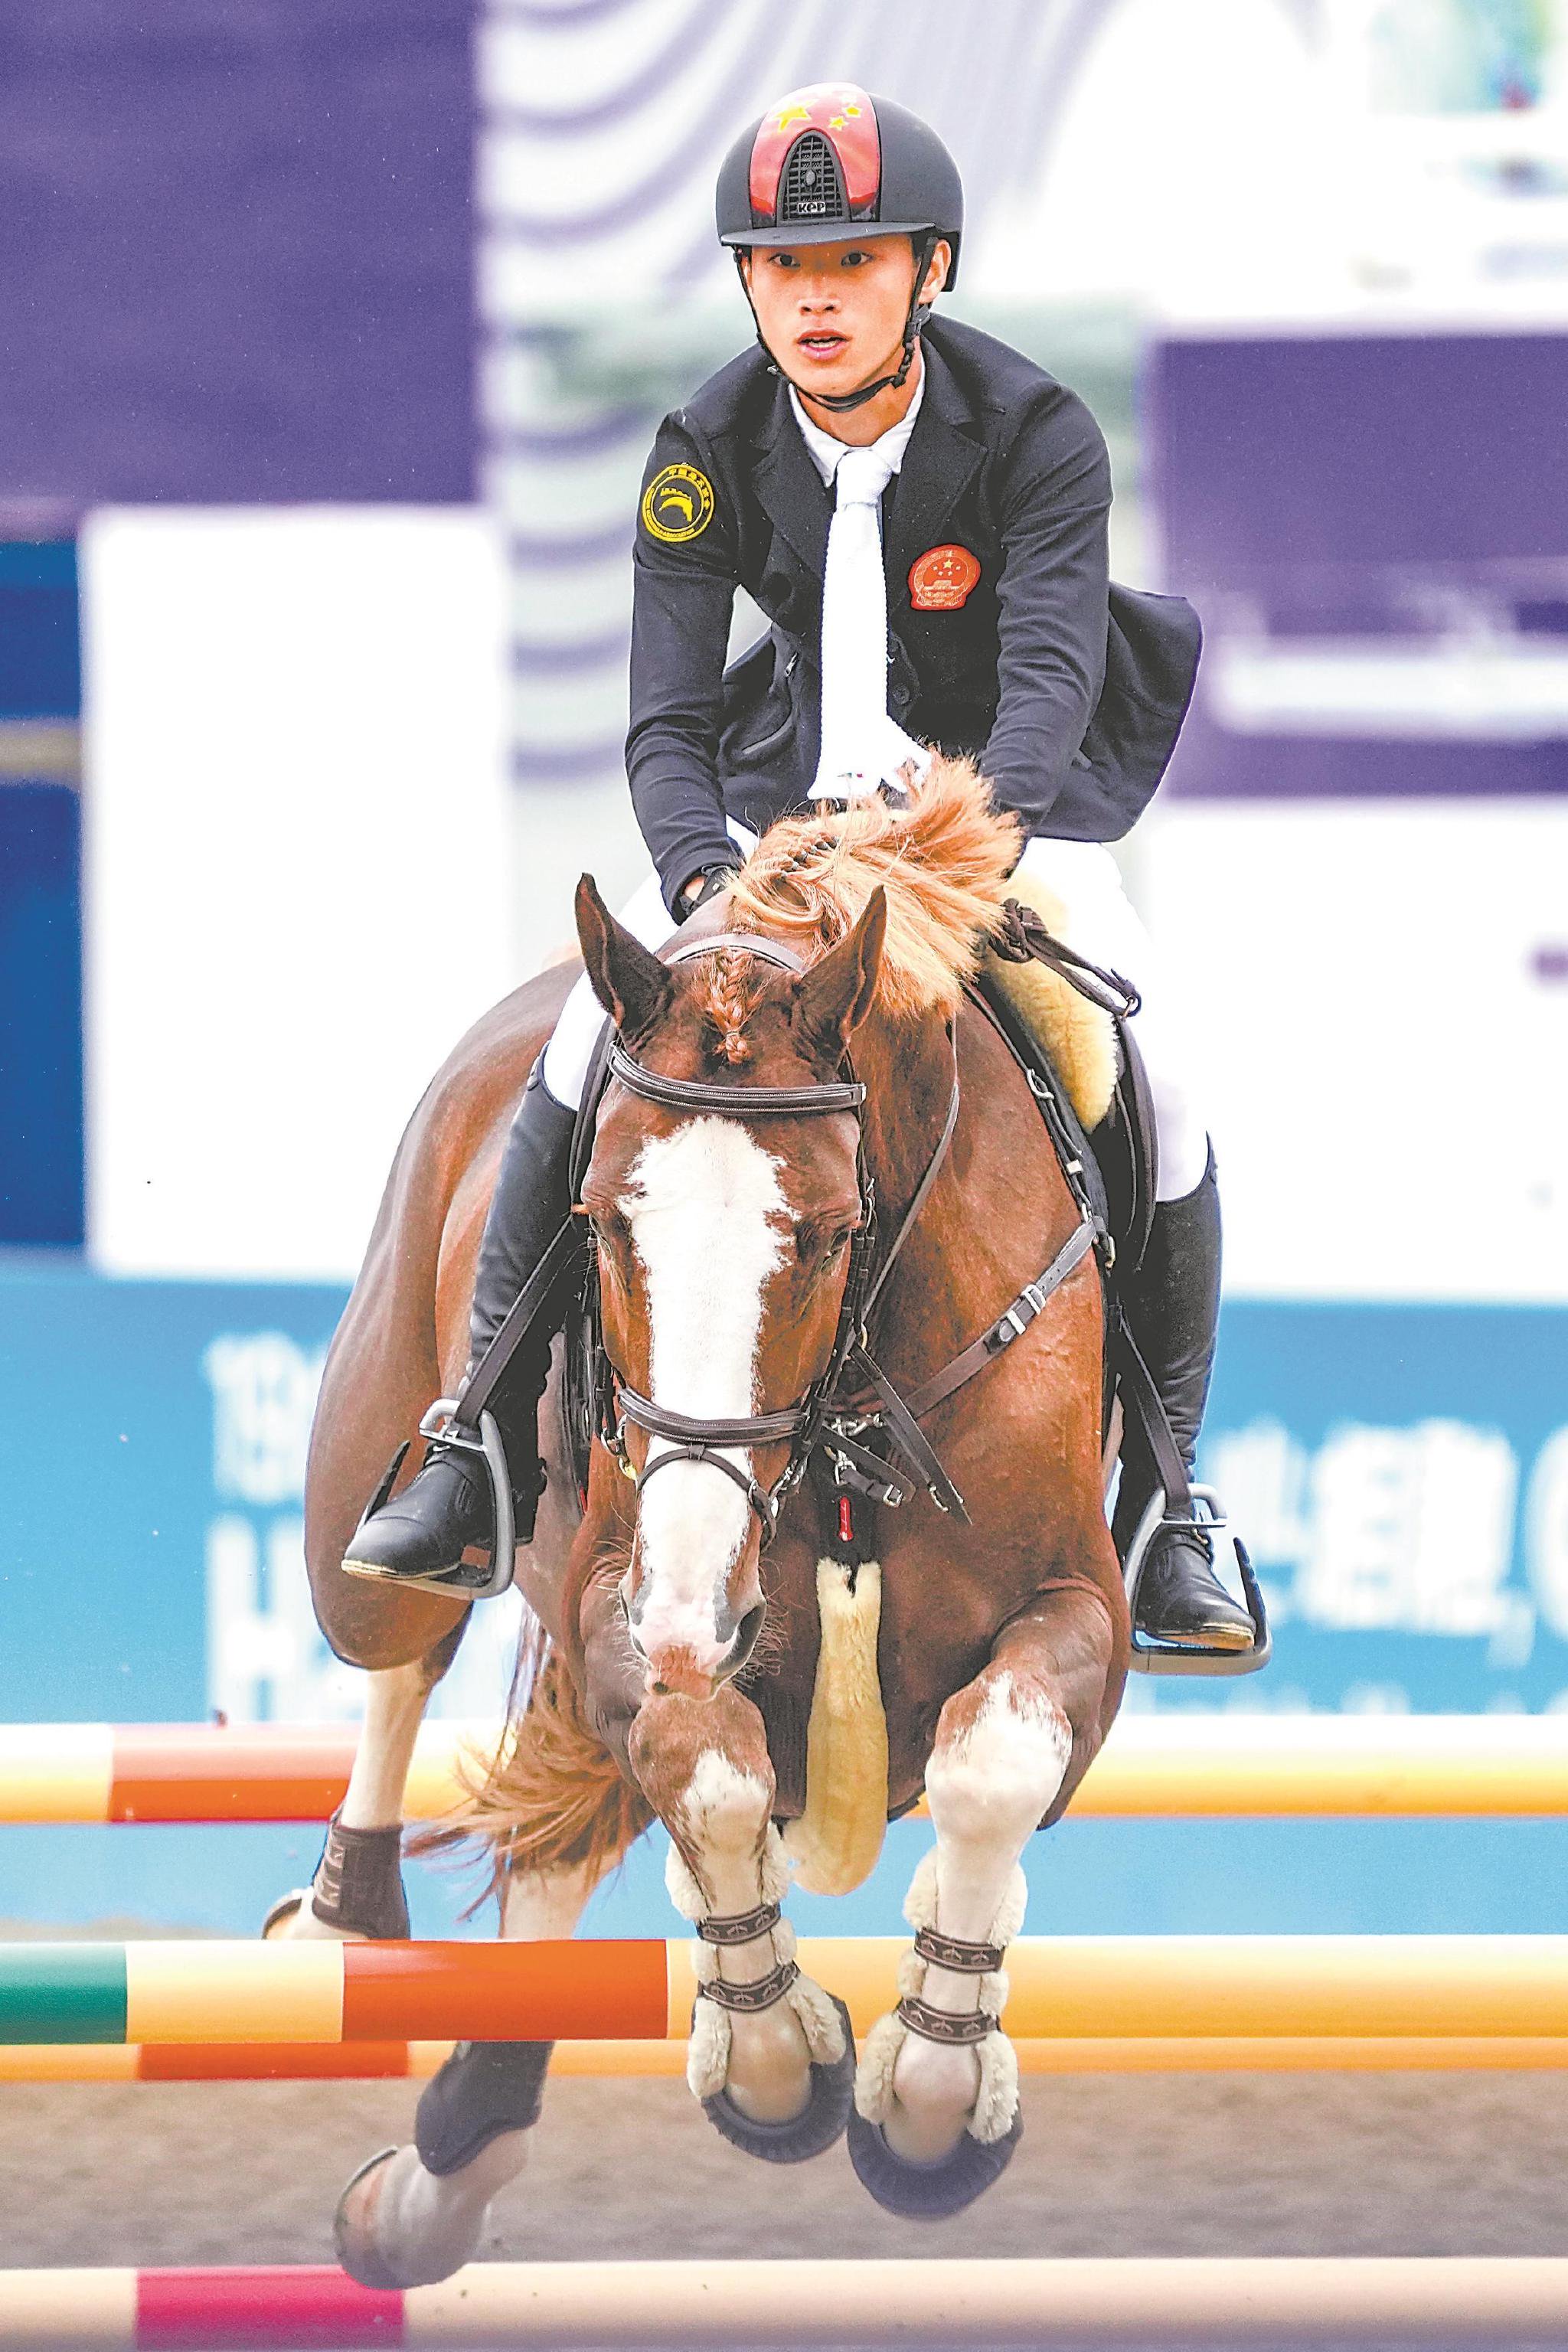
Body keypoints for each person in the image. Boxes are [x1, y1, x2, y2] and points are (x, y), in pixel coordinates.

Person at [345, 81, 1252, 1653]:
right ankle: (470, 1442)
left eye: (851, 264)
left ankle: (1175, 1502)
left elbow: (1040, 696)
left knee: (1159, 1069)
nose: (813, 299)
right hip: (769, 834)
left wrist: (948, 862)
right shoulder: (703, 443)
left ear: (929, 272)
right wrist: (701, 885)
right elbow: (664, 724)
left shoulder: (1032, 433)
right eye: (779, 268)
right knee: (576, 1042)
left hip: (982, 830)